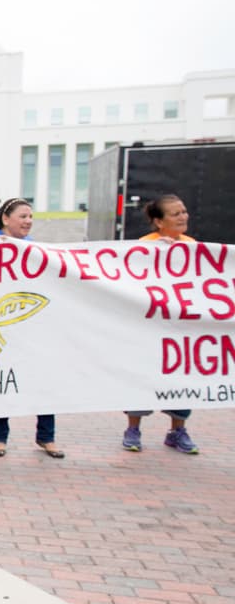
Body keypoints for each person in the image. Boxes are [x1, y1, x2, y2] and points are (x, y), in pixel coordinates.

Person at [0, 198, 64, 459]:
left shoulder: (35, 249)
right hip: (3, 325)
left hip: (31, 325)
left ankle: (46, 437)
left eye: (30, 217)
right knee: (2, 381)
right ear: (6, 219)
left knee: (44, 380)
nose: (28, 221)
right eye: (23, 216)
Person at [122, 194, 200, 454]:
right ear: (158, 221)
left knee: (181, 377)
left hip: (180, 327)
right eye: (175, 213)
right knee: (142, 374)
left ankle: (177, 430)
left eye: (184, 211)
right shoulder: (145, 246)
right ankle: (133, 428)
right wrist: (158, 254)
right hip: (150, 327)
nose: (183, 217)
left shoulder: (193, 245)